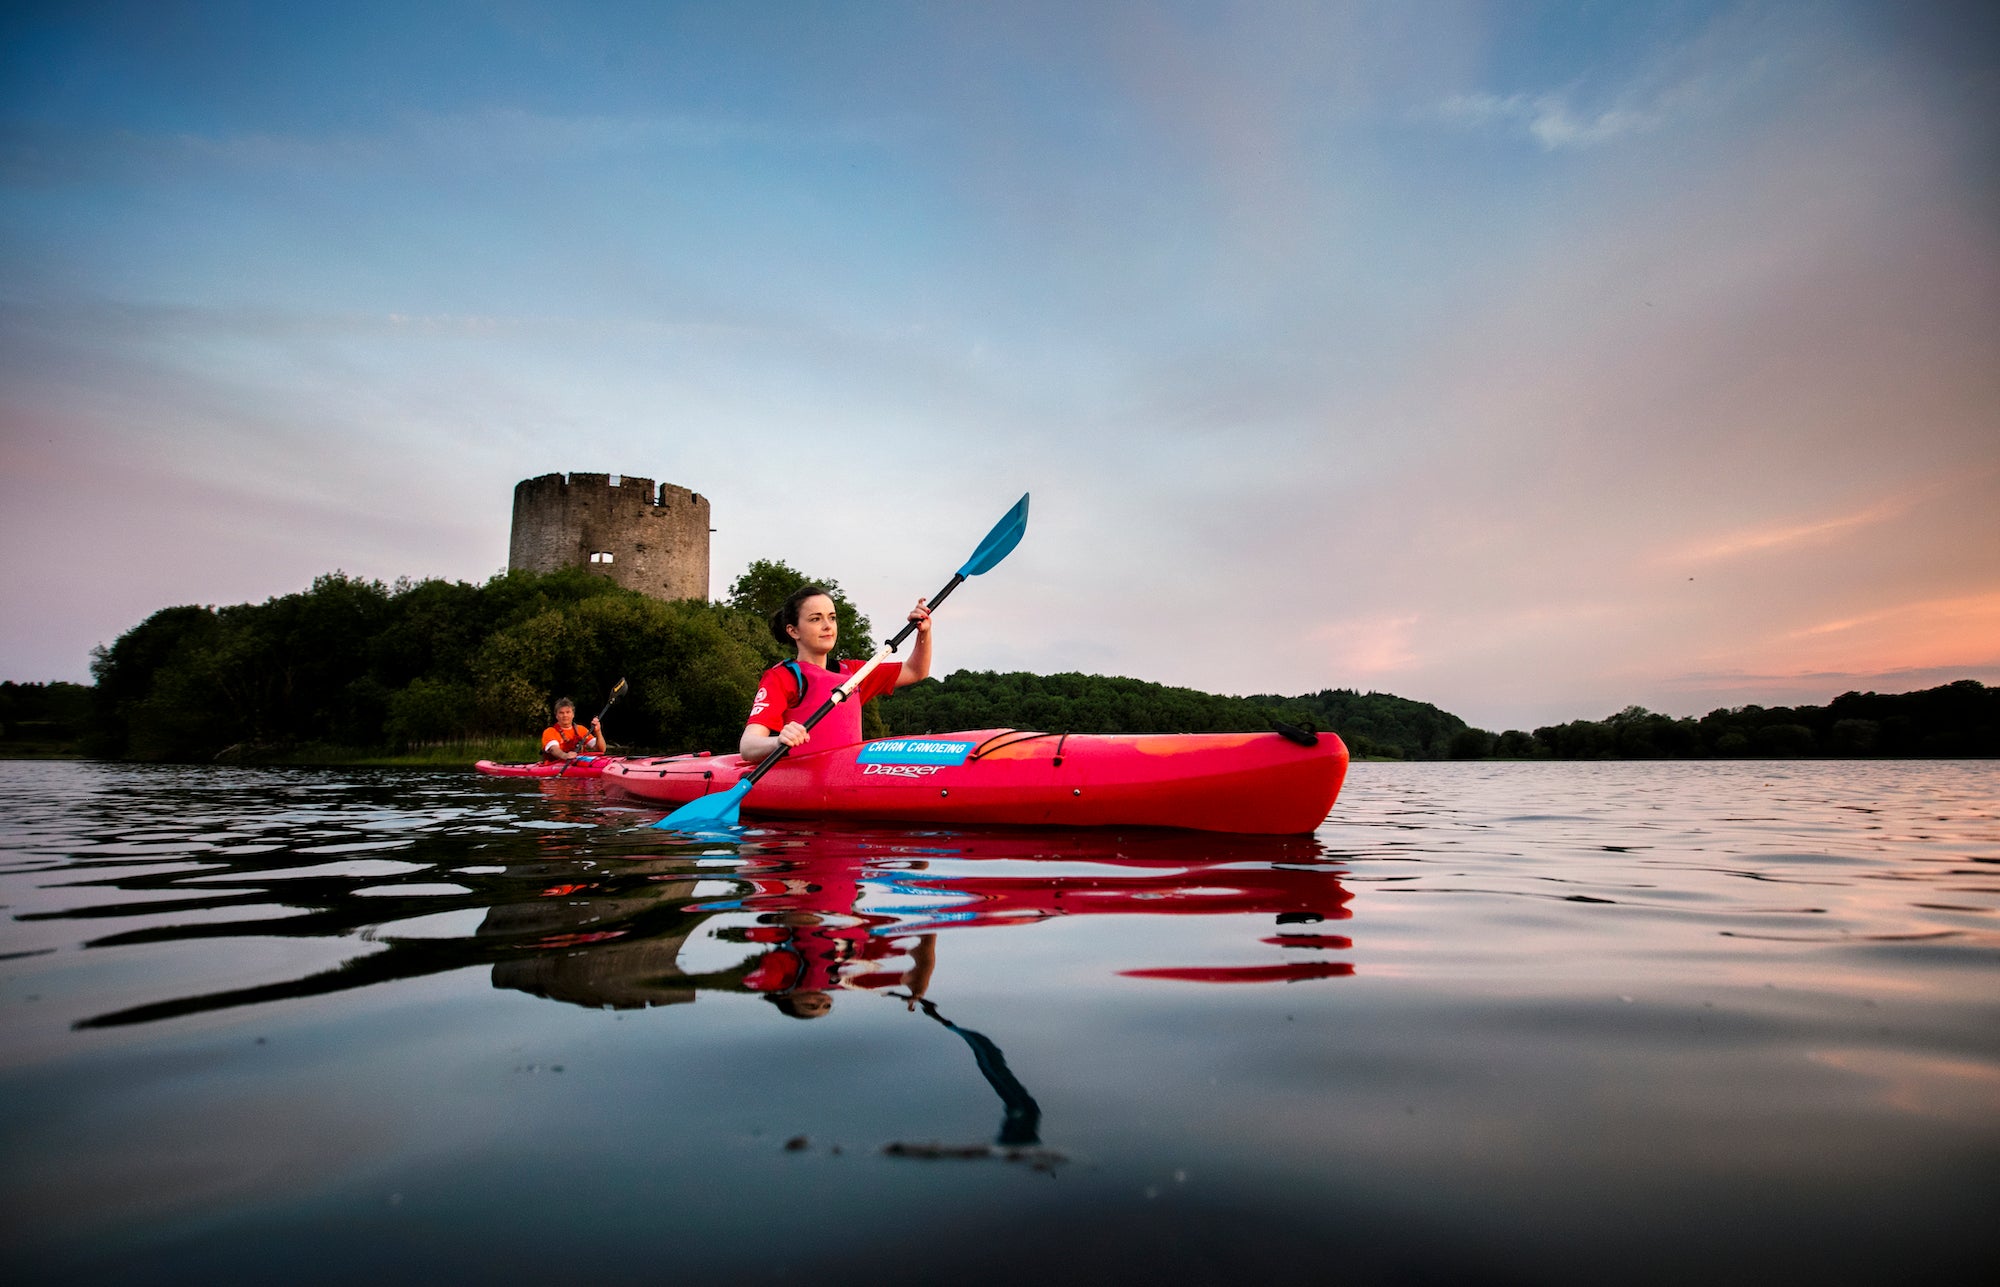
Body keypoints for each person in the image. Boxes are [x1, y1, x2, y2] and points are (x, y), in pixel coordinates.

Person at [740, 585, 931, 763]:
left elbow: (916, 671)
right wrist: (778, 741)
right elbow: (748, 746)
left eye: (831, 617)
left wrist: (924, 632)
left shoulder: (855, 673)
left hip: (847, 781)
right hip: (804, 786)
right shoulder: (783, 677)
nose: (827, 626)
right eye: (816, 619)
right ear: (793, 631)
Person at [541, 697, 603, 763]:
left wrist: (598, 732)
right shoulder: (550, 731)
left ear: (573, 714)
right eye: (561, 713)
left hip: (579, 765)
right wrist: (565, 756)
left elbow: (601, 750)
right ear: (556, 716)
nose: (565, 715)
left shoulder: (581, 729)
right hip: (556, 765)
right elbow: (553, 749)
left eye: (568, 712)